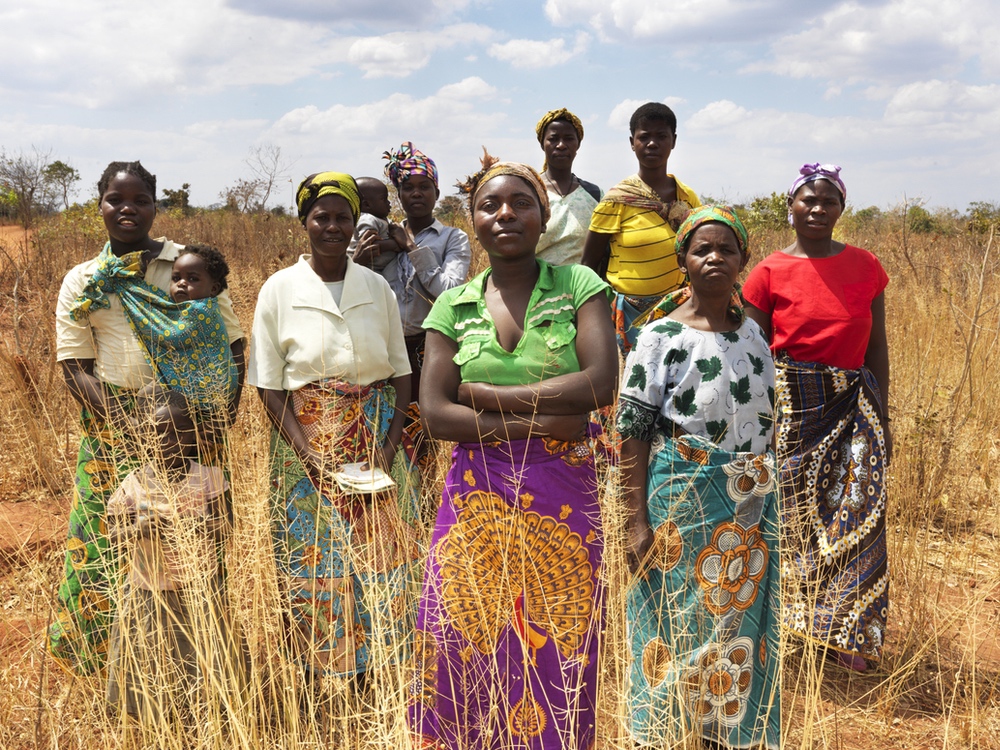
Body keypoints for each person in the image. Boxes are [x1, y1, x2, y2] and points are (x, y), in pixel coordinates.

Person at [409, 154, 617, 750]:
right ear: (472, 219)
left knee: (559, 637)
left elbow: (601, 382)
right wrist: (549, 416)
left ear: (543, 215)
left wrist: (487, 397)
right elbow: (438, 415)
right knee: (456, 635)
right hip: (474, 490)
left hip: (563, 493)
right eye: (489, 205)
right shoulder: (451, 306)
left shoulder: (580, 286)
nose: (505, 214)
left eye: (521, 203)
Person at [51, 161, 245, 675]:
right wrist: (129, 421)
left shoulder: (184, 264)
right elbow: (74, 364)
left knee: (194, 542)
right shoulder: (82, 280)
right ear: (101, 206)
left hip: (191, 421)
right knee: (104, 536)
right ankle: (102, 661)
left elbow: (233, 343)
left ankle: (196, 658)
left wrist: (216, 417)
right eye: (116, 200)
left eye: (140, 200)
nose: (127, 209)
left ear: (156, 206)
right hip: (112, 421)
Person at [248, 171, 420, 681]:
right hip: (306, 438)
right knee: (315, 555)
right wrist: (306, 452)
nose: (332, 226)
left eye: (342, 217)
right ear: (304, 221)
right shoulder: (279, 290)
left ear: (354, 223)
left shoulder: (376, 287)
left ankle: (384, 668)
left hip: (374, 436)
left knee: (385, 554)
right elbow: (269, 385)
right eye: (321, 216)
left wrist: (389, 449)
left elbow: (401, 374)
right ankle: (327, 670)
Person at [619, 206, 780, 749]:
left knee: (737, 627)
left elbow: (767, 419)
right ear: (682, 261)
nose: (714, 258)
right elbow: (634, 431)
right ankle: (660, 734)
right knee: (672, 620)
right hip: (680, 497)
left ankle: (723, 735)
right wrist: (634, 521)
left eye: (726, 249)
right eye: (701, 249)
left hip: (750, 505)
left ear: (743, 260)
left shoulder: (756, 335)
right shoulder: (658, 337)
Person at [743, 163, 891, 673]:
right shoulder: (767, 272)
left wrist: (883, 418)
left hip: (853, 401)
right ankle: (792, 626)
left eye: (828, 201)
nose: (817, 209)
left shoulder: (868, 266)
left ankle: (852, 633)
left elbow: (878, 346)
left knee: (857, 510)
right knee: (791, 513)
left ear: (840, 209)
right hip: (790, 402)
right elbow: (754, 352)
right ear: (792, 206)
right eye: (808, 200)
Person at [105, 387, 238, 721]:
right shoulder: (132, 486)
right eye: (159, 433)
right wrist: (140, 529)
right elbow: (113, 537)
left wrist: (199, 524)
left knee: (204, 656)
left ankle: (204, 715)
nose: (171, 441)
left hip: (199, 589)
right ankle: (156, 720)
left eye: (181, 432)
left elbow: (226, 528)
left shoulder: (209, 479)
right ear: (143, 437)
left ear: (194, 434)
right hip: (148, 590)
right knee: (152, 656)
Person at [581, 102, 701, 354]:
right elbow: (589, 265)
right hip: (628, 316)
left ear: (674, 140)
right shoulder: (616, 200)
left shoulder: (687, 197)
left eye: (661, 136)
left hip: (677, 309)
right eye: (644, 137)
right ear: (632, 142)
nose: (652, 144)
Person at [378, 142, 471, 402]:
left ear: (437, 193)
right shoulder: (384, 235)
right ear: (399, 194)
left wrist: (410, 247)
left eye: (424, 187)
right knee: (386, 418)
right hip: (385, 344)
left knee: (425, 420)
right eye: (408, 188)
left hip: (430, 345)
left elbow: (448, 291)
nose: (416, 194)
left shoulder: (453, 238)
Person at [533, 107, 602, 265]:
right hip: (537, 287)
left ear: (578, 144)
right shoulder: (530, 192)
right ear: (542, 144)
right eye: (553, 138)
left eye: (569, 138)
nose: (561, 145)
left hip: (584, 287)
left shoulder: (594, 195)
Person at [348, 176, 398, 272]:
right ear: (367, 205)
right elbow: (369, 243)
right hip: (369, 268)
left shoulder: (381, 219)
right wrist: (395, 244)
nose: (389, 203)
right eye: (384, 199)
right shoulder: (367, 219)